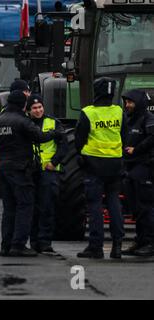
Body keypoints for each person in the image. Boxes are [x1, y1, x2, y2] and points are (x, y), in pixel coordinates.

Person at [0, 90, 58, 257]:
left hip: (4, 168)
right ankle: (18, 244)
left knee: (9, 209)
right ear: (23, 104)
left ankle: (5, 245)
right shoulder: (22, 121)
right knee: (25, 206)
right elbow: (39, 136)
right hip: (21, 169)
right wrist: (54, 133)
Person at [75, 77, 126, 259]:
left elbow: (79, 137)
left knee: (95, 205)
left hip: (94, 164)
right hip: (115, 163)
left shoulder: (88, 113)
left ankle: (95, 246)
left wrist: (81, 155)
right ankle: (117, 245)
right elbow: (124, 135)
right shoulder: (119, 111)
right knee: (114, 203)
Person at [27, 95, 67, 253]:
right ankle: (34, 241)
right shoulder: (26, 124)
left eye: (40, 107)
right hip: (31, 171)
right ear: (29, 110)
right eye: (34, 108)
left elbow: (63, 146)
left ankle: (45, 242)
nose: (38, 110)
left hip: (49, 171)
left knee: (47, 207)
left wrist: (54, 162)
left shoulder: (53, 123)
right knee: (32, 208)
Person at [121, 89, 154, 257]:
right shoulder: (128, 120)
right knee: (136, 207)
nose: (127, 105)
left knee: (145, 206)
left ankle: (150, 242)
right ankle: (141, 240)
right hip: (131, 167)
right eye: (126, 102)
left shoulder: (148, 119)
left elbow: (152, 138)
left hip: (145, 167)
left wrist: (136, 149)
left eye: (130, 102)